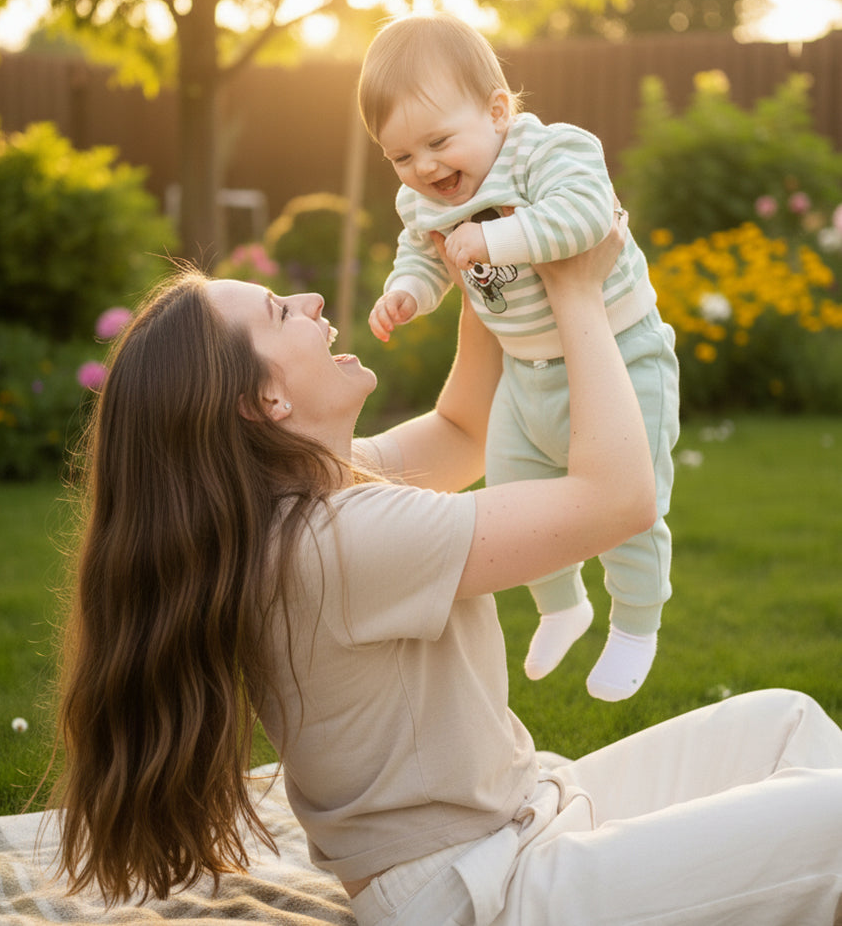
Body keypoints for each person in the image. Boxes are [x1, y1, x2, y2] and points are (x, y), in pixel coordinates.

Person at [49, 223, 842, 925]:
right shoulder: (337, 541)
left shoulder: (316, 490)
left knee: (785, 719)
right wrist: (577, 295)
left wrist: (485, 260)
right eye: (280, 312)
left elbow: (462, 432)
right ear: (266, 399)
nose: (313, 300)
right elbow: (619, 499)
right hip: (489, 894)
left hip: (521, 822)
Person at [359, 11, 680, 701]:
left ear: (498, 111)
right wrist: (407, 294)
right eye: (401, 156)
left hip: (622, 352)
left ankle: (636, 619)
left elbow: (587, 216)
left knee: (634, 501)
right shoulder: (423, 198)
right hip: (526, 369)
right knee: (514, 491)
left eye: (439, 142)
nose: (425, 168)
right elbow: (424, 252)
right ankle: (563, 605)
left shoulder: (548, 151)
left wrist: (496, 242)